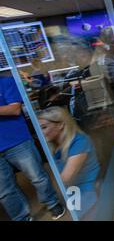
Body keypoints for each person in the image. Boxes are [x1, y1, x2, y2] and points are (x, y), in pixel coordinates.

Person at [0, 73, 65, 221]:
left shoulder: (6, 81)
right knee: (4, 191)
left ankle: (52, 202)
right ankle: (21, 217)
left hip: (17, 141)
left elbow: (15, 109)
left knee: (37, 177)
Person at [37, 106, 100, 219]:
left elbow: (65, 179)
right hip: (74, 191)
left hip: (89, 191)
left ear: (60, 125)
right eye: (39, 128)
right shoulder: (57, 145)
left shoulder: (79, 142)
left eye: (44, 127)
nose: (40, 132)